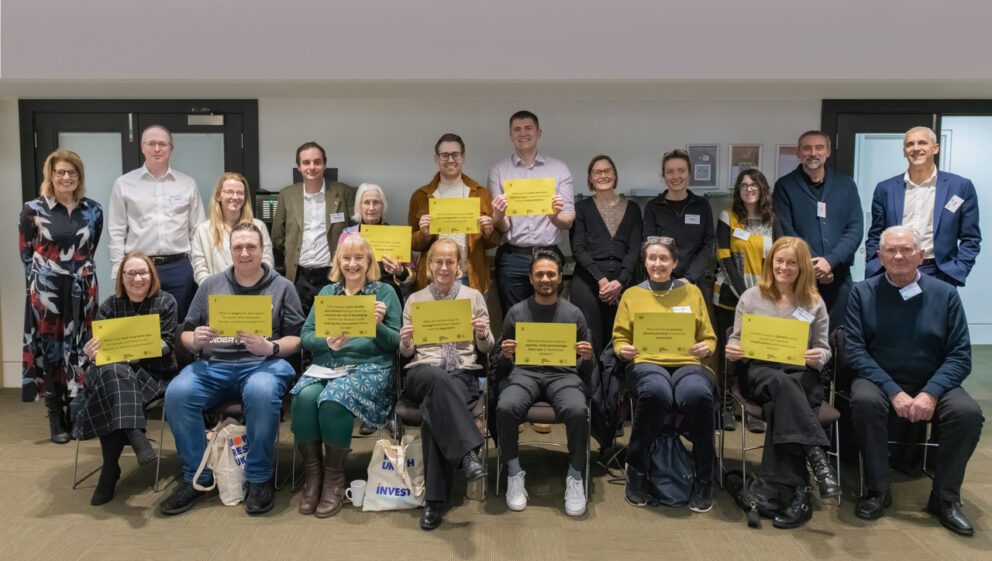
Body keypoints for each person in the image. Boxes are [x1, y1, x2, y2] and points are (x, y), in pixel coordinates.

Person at [847, 226, 983, 536]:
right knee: (864, 401)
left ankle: (945, 498)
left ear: (920, 256)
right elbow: (855, 351)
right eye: (891, 250)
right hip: (879, 379)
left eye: (907, 249)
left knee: (967, 413)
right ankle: (877, 490)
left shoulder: (946, 295)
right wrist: (894, 392)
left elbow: (960, 355)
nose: (898, 256)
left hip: (933, 380)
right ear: (879, 256)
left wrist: (930, 393)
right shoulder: (862, 292)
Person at [160, 222, 303, 516]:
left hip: (265, 364)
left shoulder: (283, 287)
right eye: (238, 247)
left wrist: (272, 348)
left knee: (261, 391)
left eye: (251, 246)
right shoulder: (211, 285)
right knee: (177, 393)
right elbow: (185, 334)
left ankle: (259, 478)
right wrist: (194, 340)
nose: (245, 252)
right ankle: (198, 477)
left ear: (262, 250)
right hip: (215, 365)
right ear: (230, 251)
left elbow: (298, 338)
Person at [725, 237, 839, 529]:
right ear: (770, 263)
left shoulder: (814, 302)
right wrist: (732, 348)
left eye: (791, 262)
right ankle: (815, 460)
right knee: (780, 383)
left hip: (801, 372)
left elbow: (824, 349)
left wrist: (818, 355)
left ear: (802, 267)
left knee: (780, 405)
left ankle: (793, 490)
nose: (784, 267)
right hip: (761, 372)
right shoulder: (751, 297)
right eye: (779, 261)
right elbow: (736, 339)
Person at [290, 234, 401, 518]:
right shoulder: (328, 293)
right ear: (338, 261)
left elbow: (397, 343)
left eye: (359, 258)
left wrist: (376, 325)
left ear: (369, 262)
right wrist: (325, 342)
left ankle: (334, 480)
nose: (352, 264)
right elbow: (305, 336)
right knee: (303, 398)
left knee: (332, 400)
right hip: (327, 366)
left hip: (370, 367)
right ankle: (313, 476)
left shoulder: (384, 292)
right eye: (346, 258)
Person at [612, 237, 717, 512]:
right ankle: (637, 471)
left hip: (688, 362)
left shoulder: (692, 292)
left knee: (698, 394)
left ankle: (705, 477)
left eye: (663, 258)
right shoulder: (632, 295)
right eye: (652, 258)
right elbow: (619, 337)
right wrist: (623, 350)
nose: (657, 264)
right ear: (644, 262)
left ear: (675, 262)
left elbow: (709, 336)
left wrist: (707, 347)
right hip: (646, 362)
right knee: (656, 392)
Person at [398, 239, 493, 530]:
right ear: (428, 267)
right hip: (422, 372)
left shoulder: (474, 297)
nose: (443, 267)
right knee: (437, 378)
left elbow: (488, 348)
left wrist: (482, 334)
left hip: (462, 374)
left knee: (432, 415)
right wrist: (404, 340)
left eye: (450, 262)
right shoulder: (415, 300)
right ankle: (467, 453)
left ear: (460, 266)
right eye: (437, 261)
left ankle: (434, 502)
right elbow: (406, 354)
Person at [495, 249, 593, 517]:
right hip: (524, 373)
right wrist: (505, 355)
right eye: (539, 274)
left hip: (563, 375)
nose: (545, 279)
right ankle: (514, 473)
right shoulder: (516, 312)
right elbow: (500, 366)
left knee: (576, 410)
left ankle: (575, 476)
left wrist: (586, 358)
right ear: (530, 278)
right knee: (505, 407)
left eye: (551, 274)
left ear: (560, 277)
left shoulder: (574, 314)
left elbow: (587, 370)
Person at [75, 252, 177, 506]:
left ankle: (110, 470)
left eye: (143, 272)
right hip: (114, 371)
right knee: (112, 372)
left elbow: (166, 345)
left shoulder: (166, 302)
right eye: (130, 273)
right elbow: (98, 353)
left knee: (113, 379)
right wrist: (91, 353)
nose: (137, 278)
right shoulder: (109, 306)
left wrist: (129, 353)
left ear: (151, 275)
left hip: (152, 373)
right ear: (122, 277)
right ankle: (133, 432)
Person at [19, 149, 103, 443]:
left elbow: (89, 250)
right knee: (53, 350)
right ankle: (56, 414)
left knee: (83, 347)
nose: (66, 177)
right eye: (60, 172)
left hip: (83, 290)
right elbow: (26, 254)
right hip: (48, 292)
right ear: (50, 176)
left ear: (79, 176)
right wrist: (44, 283)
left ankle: (79, 409)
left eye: (72, 172)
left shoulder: (93, 210)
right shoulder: (33, 210)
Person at [108, 125, 205, 321]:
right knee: (140, 325)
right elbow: (116, 231)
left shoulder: (187, 184)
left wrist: (197, 268)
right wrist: (120, 271)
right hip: (140, 269)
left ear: (171, 148)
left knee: (179, 323)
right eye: (151, 143)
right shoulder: (124, 184)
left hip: (179, 267)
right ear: (142, 147)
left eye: (162, 144)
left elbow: (198, 230)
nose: (157, 149)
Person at [865, 126, 981, 287]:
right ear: (904, 151)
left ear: (935, 148)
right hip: (893, 269)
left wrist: (959, 269)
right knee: (892, 313)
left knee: (936, 313)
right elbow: (876, 235)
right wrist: (875, 265)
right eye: (910, 144)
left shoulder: (960, 187)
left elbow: (971, 238)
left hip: (939, 271)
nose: (916, 148)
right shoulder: (885, 189)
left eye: (922, 143)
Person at [488, 110, 575, 316]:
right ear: (510, 135)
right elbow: (504, 226)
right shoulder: (499, 171)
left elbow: (568, 220)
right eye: (516, 129)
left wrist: (554, 216)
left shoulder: (559, 169)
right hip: (513, 255)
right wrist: (498, 216)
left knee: (551, 314)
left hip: (549, 253)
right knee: (513, 315)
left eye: (528, 128)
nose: (522, 133)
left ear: (538, 132)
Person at [773, 130, 862, 329]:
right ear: (798, 153)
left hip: (838, 277)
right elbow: (786, 232)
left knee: (837, 336)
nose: (813, 153)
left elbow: (855, 229)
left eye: (819, 147)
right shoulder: (784, 186)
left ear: (828, 152)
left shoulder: (846, 185)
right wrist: (814, 265)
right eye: (807, 148)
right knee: (798, 336)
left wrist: (830, 261)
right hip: (800, 278)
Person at [713, 169, 781, 432]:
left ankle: (753, 404)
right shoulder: (728, 217)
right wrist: (744, 294)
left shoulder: (773, 220)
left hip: (765, 299)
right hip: (730, 297)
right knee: (729, 354)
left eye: (753, 184)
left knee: (757, 354)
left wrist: (761, 295)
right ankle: (726, 406)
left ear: (763, 188)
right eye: (743, 185)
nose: (748, 188)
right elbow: (723, 255)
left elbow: (778, 259)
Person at [271, 141, 356, 317]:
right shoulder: (287, 194)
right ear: (298, 167)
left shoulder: (344, 192)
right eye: (306, 162)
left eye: (317, 162)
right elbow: (277, 236)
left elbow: (356, 232)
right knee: (299, 326)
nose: (312, 167)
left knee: (332, 325)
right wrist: (293, 253)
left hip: (333, 274)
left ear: (324, 165)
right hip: (299, 276)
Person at [409, 133, 500, 293]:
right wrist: (424, 234)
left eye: (455, 155)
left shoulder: (481, 194)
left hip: (470, 279)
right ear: (436, 159)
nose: (450, 160)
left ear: (463, 157)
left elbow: (493, 242)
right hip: (433, 280)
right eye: (445, 155)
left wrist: (489, 231)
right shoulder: (420, 196)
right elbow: (412, 244)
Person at [570, 155, 643, 356]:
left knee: (622, 341)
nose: (603, 175)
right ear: (590, 178)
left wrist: (620, 282)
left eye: (607, 170)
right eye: (597, 172)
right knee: (589, 341)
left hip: (624, 282)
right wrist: (602, 281)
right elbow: (578, 249)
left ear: (615, 175)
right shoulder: (582, 208)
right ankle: (592, 386)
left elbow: (635, 249)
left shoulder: (633, 208)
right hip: (588, 282)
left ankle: (617, 387)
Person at [641, 149, 715, 285]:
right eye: (670, 172)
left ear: (689, 173)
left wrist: (689, 278)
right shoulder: (653, 207)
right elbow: (650, 246)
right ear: (663, 175)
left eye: (681, 170)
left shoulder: (702, 206)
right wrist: (665, 276)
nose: (676, 176)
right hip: (661, 279)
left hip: (694, 281)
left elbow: (708, 245)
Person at [191, 172, 274, 284]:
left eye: (240, 193)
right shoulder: (203, 230)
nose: (235, 197)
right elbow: (200, 269)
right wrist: (213, 290)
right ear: (218, 196)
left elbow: (267, 262)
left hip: (254, 293)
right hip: (216, 295)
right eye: (229, 192)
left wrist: (255, 287)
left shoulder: (259, 227)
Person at [339, 183, 415, 304]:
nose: (371, 208)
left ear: (382, 206)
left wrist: (399, 271)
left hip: (389, 297)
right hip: (354, 298)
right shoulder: (347, 236)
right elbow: (337, 273)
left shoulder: (397, 235)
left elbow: (411, 278)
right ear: (359, 206)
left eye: (376, 202)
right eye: (366, 202)